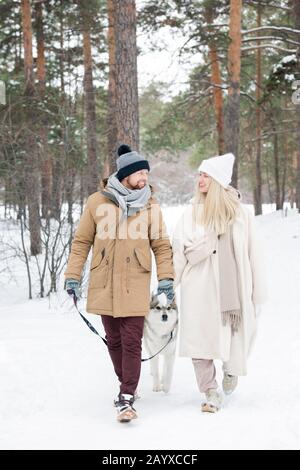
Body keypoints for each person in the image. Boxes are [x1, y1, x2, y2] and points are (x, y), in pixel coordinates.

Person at [64, 144, 174, 422]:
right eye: (139, 173)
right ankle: (126, 383)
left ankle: (126, 394)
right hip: (104, 282)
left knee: (131, 340)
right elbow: (81, 242)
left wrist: (166, 278)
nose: (144, 178)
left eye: (146, 173)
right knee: (113, 339)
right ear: (125, 175)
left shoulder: (150, 205)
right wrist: (73, 276)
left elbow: (161, 245)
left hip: (135, 281)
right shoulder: (96, 203)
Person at [172, 153, 267, 413]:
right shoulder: (192, 213)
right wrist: (169, 284)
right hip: (199, 289)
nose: (200, 179)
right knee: (199, 342)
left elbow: (253, 253)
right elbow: (179, 251)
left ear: (218, 181)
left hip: (232, 290)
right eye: (199, 174)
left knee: (236, 337)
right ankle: (210, 391)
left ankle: (231, 370)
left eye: (206, 175)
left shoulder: (240, 215)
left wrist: (258, 292)